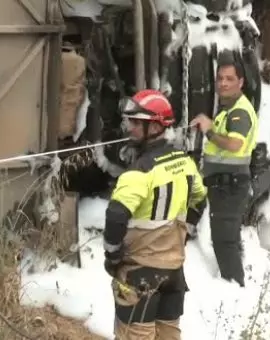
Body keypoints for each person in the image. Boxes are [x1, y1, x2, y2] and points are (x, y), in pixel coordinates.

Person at [103, 89, 208, 339]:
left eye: (137, 123)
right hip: (174, 272)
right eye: (130, 121)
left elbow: (116, 216)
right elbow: (200, 199)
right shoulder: (184, 162)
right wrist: (184, 235)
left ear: (156, 127)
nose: (130, 127)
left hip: (140, 273)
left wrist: (113, 256)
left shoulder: (138, 173)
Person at [189, 55, 259, 287]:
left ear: (241, 82)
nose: (223, 83)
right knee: (226, 238)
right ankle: (234, 285)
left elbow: (234, 144)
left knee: (224, 241)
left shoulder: (239, 112)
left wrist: (208, 130)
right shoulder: (228, 110)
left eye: (229, 79)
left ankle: (235, 290)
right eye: (220, 79)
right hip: (222, 183)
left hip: (230, 185)